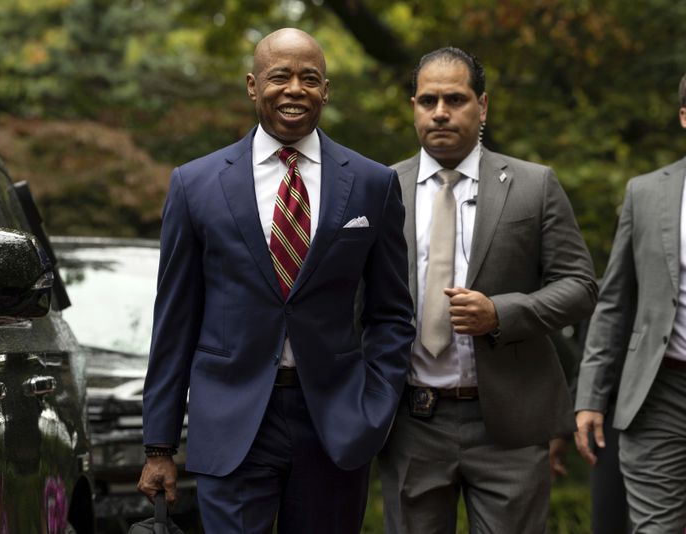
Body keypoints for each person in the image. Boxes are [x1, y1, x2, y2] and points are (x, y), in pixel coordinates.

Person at [136, 28, 415, 534]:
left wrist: (375, 408)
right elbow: (174, 321)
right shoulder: (194, 185)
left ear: (326, 90)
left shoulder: (373, 184)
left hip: (335, 422)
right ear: (251, 85)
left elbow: (391, 313)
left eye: (309, 78)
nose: (294, 89)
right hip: (231, 423)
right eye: (279, 76)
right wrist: (159, 445)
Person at [378, 46, 597, 533]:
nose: (439, 112)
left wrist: (501, 313)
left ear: (483, 106)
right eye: (427, 100)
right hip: (412, 421)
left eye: (455, 99)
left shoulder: (533, 185)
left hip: (510, 425)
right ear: (413, 106)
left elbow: (581, 287)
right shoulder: (380, 189)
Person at [574, 72, 686, 532]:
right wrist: (590, 397)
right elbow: (614, 302)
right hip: (659, 390)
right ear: (684, 117)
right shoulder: (646, 193)